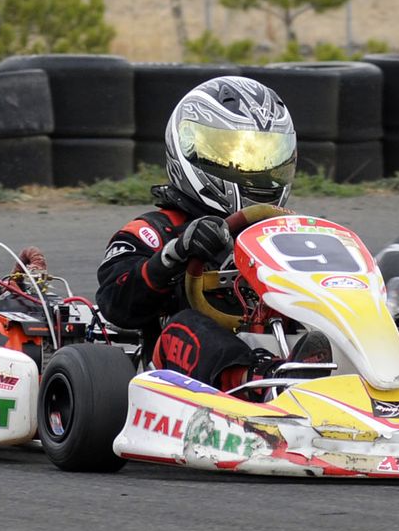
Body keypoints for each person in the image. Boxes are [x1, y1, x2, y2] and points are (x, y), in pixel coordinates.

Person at [95, 75, 330, 393]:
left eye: (268, 157)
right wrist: (175, 254)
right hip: (179, 377)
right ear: (190, 149)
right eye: (237, 156)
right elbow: (116, 305)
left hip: (285, 352)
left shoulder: (284, 232)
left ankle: (377, 372)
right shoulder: (154, 231)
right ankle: (255, 381)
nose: (257, 171)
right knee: (189, 326)